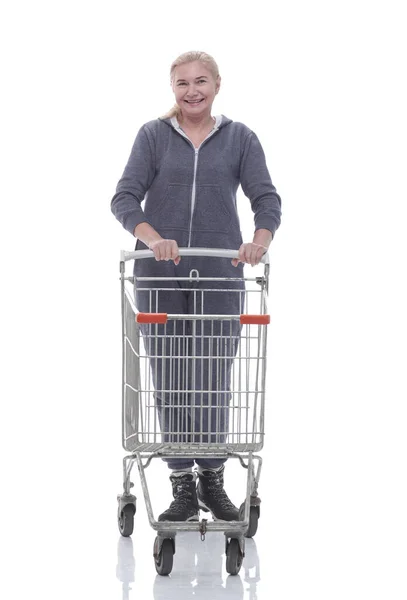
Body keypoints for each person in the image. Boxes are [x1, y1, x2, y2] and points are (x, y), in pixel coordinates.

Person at [111, 50, 282, 523]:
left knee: (211, 382)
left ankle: (212, 479)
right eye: (182, 83)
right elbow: (124, 196)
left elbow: (266, 200)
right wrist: (153, 239)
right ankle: (181, 484)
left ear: (218, 85)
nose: (192, 91)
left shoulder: (240, 139)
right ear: (173, 89)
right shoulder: (152, 136)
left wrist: (258, 243)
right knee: (169, 379)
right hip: (158, 276)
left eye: (201, 81)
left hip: (218, 274)